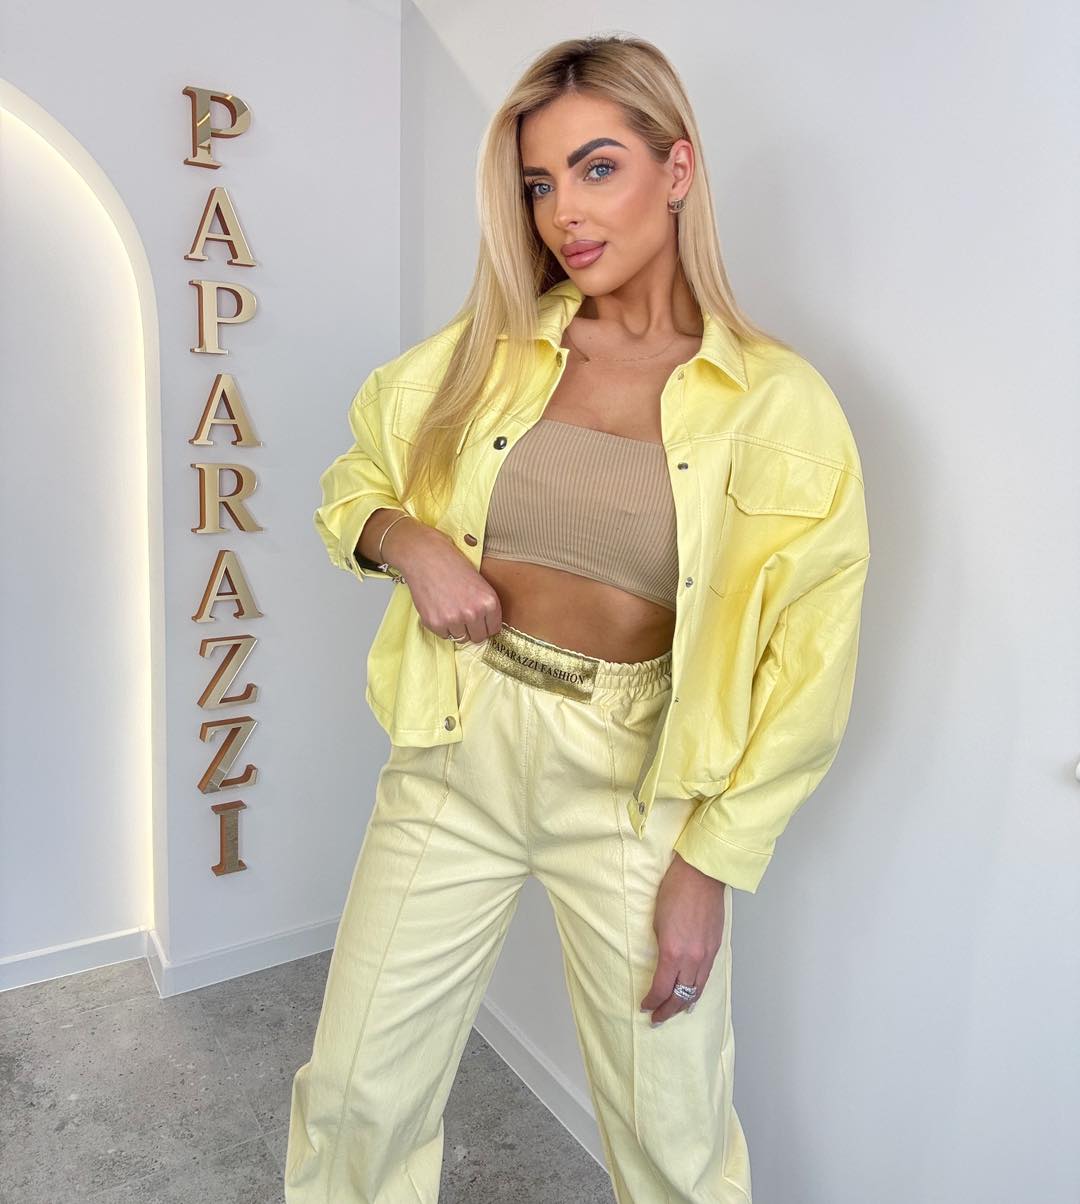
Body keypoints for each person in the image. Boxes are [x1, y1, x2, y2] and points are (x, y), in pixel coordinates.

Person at [285, 33, 870, 1204]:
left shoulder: (780, 405)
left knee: (673, 1137)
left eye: (598, 167)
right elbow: (354, 481)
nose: (564, 213)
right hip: (456, 745)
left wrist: (712, 863)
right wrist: (409, 545)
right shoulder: (485, 356)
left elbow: (810, 668)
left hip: (635, 784)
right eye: (539, 183)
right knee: (356, 1094)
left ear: (678, 168)